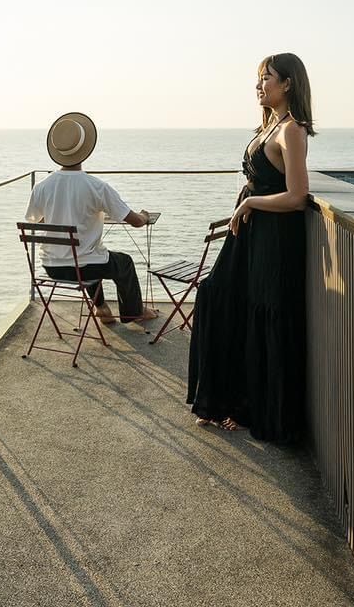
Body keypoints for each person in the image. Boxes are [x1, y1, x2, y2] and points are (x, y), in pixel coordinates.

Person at [186, 52, 314, 441]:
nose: (259, 86)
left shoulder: (292, 130)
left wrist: (250, 202)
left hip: (275, 239)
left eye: (266, 79)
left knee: (262, 317)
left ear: (287, 83)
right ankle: (227, 399)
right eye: (259, 80)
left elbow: (296, 196)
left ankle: (250, 410)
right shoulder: (269, 127)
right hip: (253, 234)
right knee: (216, 295)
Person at [26, 112, 160, 325]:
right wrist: (144, 216)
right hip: (82, 268)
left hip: (51, 267)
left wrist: (66, 215)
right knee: (121, 262)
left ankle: (103, 310)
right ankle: (134, 313)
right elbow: (134, 221)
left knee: (90, 253)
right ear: (85, 152)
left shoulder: (41, 187)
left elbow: (35, 222)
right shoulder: (96, 187)